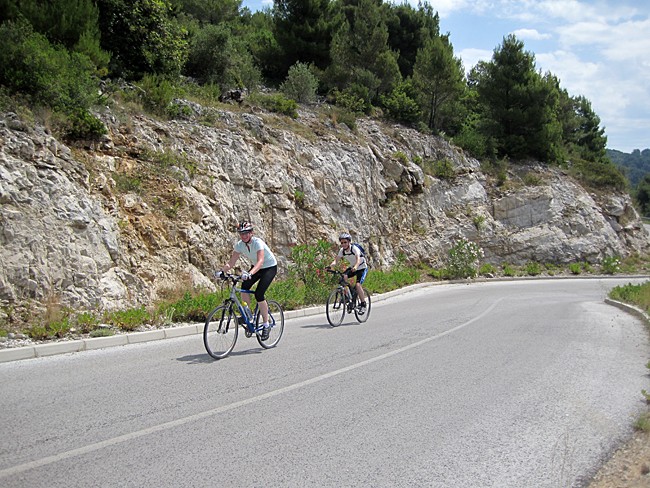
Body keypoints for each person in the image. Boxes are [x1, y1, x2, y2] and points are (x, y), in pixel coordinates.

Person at [219, 221, 278, 340]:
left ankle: (266, 325)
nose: (244, 235)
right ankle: (249, 314)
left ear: (251, 233)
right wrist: (221, 271)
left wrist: (250, 273)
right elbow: (231, 262)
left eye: (246, 233)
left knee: (259, 294)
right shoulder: (239, 245)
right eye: (241, 233)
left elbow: (260, 261)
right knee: (244, 287)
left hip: (269, 267)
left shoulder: (258, 243)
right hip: (256, 267)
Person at [327, 232, 367, 312]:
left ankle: (363, 304)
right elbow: (336, 260)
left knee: (358, 285)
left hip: (362, 268)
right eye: (342, 243)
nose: (343, 244)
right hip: (352, 268)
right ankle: (348, 296)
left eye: (345, 242)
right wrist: (330, 266)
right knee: (343, 277)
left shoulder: (354, 248)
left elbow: (358, 259)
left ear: (349, 242)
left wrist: (356, 266)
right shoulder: (342, 251)